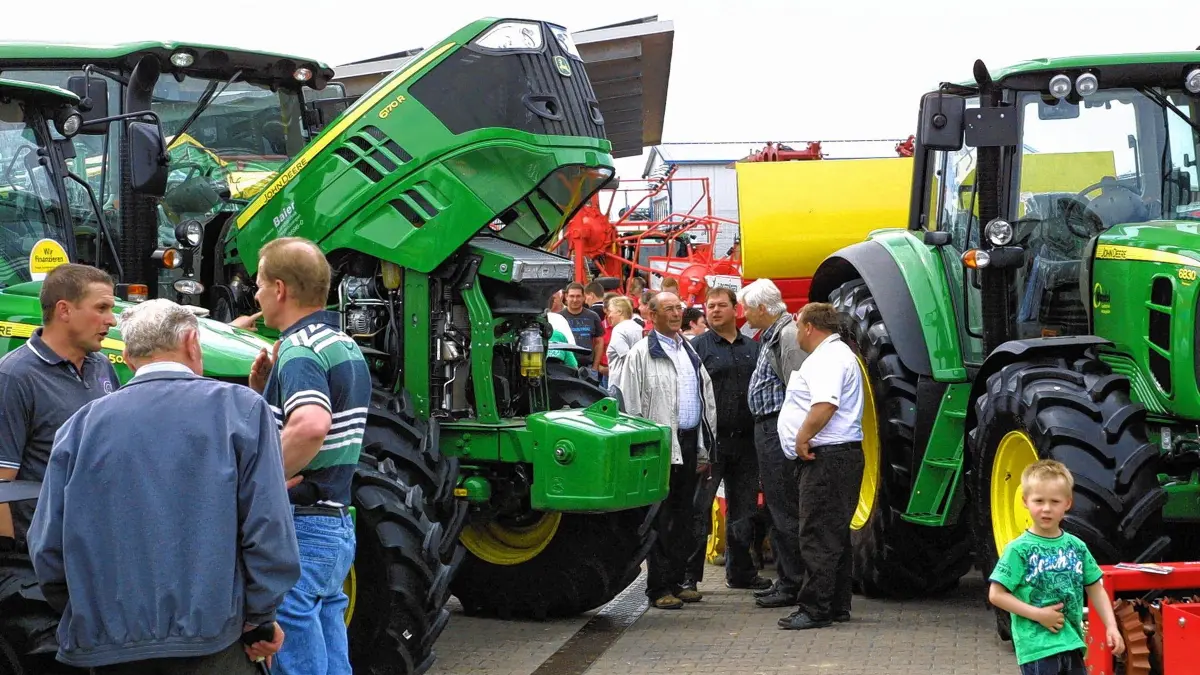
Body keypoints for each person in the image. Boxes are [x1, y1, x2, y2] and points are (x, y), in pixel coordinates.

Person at [27, 298, 299, 672]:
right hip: (214, 643)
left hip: (109, 647)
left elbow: (47, 548)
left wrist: (92, 614)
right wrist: (259, 617)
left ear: (128, 355)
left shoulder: (79, 426)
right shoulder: (241, 411)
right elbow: (268, 529)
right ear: (191, 342)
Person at [247, 237, 371, 675]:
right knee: (331, 644)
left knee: (296, 659)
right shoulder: (341, 343)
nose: (256, 295)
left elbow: (312, 425)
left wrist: (259, 484)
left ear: (280, 289)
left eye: (259, 284)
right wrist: (261, 393)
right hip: (335, 522)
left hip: (302, 524)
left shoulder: (298, 349)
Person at [0, 263, 119, 547]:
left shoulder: (101, 365)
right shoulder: (14, 377)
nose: (112, 320)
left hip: (98, 547)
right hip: (42, 560)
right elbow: (2, 486)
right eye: (101, 308)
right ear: (64, 310)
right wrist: (12, 570)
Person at [611, 291, 717, 610]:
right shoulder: (641, 354)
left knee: (683, 516)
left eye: (678, 308)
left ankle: (677, 581)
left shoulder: (688, 350)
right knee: (660, 519)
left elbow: (705, 399)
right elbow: (628, 405)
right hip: (659, 447)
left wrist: (702, 448)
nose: (675, 313)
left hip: (687, 443)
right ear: (652, 315)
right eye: (668, 308)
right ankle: (658, 587)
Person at [988, 460, 1125, 674]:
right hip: (1038, 648)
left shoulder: (1076, 547)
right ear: (1025, 501)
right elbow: (996, 595)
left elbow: (1095, 588)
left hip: (1073, 643)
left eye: (1054, 501)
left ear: (1067, 503)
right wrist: (1038, 614)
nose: (1046, 508)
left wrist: (1111, 626)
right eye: (1039, 500)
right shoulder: (1018, 550)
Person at [775, 302, 864, 630]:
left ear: (810, 327)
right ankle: (836, 603)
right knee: (834, 533)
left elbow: (825, 403)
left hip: (826, 458)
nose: (796, 333)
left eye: (798, 326)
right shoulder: (839, 355)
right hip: (838, 456)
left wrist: (802, 437)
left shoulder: (828, 358)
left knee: (817, 534)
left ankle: (814, 609)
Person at [685, 287, 771, 592]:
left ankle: (741, 573)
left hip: (747, 443)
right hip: (712, 444)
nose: (714, 310)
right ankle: (689, 577)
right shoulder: (697, 348)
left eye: (721, 305)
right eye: (710, 306)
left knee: (744, 511)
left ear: (736, 310)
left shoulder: (755, 348)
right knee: (699, 509)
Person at [738, 278, 808, 609]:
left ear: (763, 309)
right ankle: (787, 578)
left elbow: (800, 390)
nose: (744, 314)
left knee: (784, 510)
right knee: (778, 510)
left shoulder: (787, 337)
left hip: (777, 431)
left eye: (747, 308)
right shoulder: (776, 334)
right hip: (768, 430)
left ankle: (794, 583)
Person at [559, 282, 604, 373]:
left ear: (584, 297)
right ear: (566, 297)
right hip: (564, 367)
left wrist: (595, 367)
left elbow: (599, 342)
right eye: (572, 296)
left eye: (578, 296)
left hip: (587, 368)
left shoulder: (593, 316)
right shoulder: (558, 317)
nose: (575, 300)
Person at [604, 296, 643, 387]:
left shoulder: (619, 330)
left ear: (619, 311)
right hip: (637, 383)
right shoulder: (638, 327)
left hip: (621, 385)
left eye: (610, 311)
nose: (609, 315)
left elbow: (627, 358)